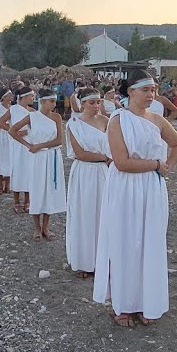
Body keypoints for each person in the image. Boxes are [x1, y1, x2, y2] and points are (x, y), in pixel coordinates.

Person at [93, 70, 177, 327]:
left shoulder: (156, 119)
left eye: (153, 90)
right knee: (125, 243)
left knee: (149, 243)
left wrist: (166, 167)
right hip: (125, 188)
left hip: (152, 188)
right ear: (131, 92)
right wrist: (157, 164)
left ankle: (146, 303)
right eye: (145, 90)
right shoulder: (118, 121)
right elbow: (121, 162)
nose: (151, 95)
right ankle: (122, 306)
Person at [66, 89, 110, 278]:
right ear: (83, 104)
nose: (96, 106)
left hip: (103, 172)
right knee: (84, 215)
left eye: (98, 102)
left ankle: (104, 260)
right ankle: (84, 261)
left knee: (103, 214)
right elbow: (80, 152)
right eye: (92, 102)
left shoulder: (106, 121)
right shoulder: (74, 124)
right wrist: (105, 157)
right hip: (84, 172)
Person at [12, 89, 67, 240]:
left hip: (52, 156)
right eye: (51, 101)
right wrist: (28, 145)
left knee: (49, 191)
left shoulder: (56, 117)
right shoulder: (32, 117)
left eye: (55, 101)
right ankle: (36, 227)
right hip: (38, 158)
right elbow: (13, 130)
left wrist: (39, 145)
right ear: (42, 102)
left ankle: (46, 227)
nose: (54, 104)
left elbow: (59, 141)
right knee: (37, 190)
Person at [8, 88, 35, 213]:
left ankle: (27, 201)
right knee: (18, 169)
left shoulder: (33, 111)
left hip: (29, 143)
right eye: (31, 96)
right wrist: (13, 131)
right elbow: (2, 122)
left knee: (28, 170)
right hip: (18, 143)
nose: (33, 99)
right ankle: (16, 201)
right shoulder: (13, 109)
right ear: (23, 97)